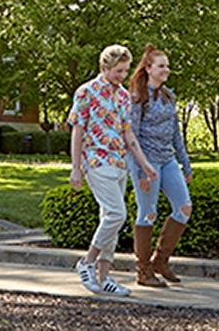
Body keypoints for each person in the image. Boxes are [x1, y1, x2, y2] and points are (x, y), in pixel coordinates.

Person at [69, 44, 157, 297]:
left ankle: (104, 277)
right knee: (117, 214)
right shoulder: (86, 92)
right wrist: (76, 168)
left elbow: (128, 134)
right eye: (118, 71)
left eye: (125, 70)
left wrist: (144, 163)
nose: (122, 75)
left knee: (110, 218)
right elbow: (78, 130)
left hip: (119, 163)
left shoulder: (122, 96)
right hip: (97, 162)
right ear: (105, 67)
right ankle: (87, 262)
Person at [128, 44, 193, 287]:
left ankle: (160, 260)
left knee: (184, 207)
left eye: (167, 65)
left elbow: (176, 132)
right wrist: (143, 167)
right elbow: (131, 135)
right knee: (148, 212)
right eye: (161, 66)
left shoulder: (169, 95)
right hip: (145, 161)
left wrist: (185, 164)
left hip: (167, 160)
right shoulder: (137, 97)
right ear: (148, 69)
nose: (167, 70)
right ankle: (143, 271)